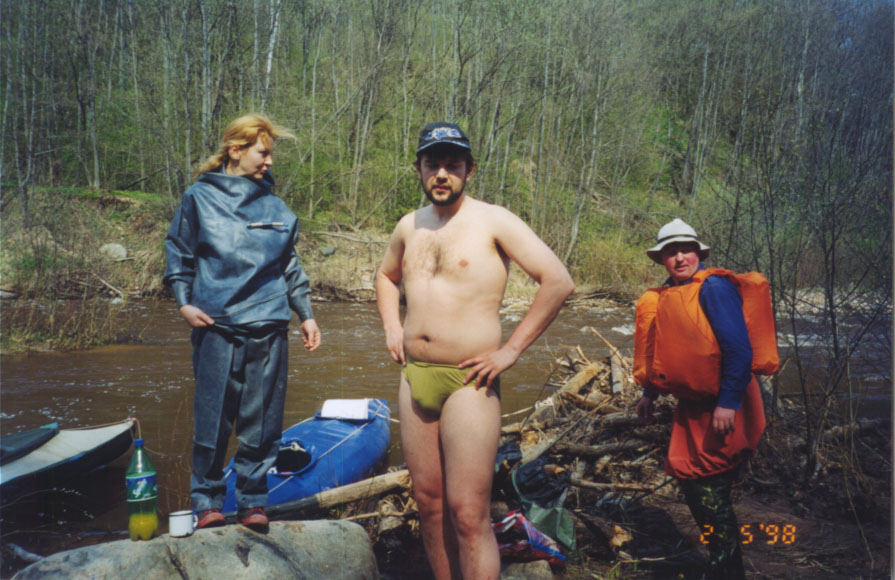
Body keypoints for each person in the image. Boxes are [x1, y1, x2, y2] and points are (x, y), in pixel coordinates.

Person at [376, 122, 574, 580]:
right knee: (429, 504)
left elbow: (558, 281)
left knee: (468, 512)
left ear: (470, 169)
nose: (442, 174)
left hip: (470, 381)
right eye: (433, 164)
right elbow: (386, 276)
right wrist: (391, 326)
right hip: (415, 375)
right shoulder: (409, 225)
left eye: (453, 165)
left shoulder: (494, 220)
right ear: (418, 169)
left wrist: (510, 351)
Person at [164, 114, 321, 532]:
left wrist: (305, 314)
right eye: (263, 153)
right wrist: (183, 304)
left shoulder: (276, 208)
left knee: (263, 423)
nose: (269, 161)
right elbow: (179, 253)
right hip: (215, 326)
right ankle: (207, 504)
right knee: (212, 421)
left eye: (270, 154)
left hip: (269, 326)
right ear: (236, 150)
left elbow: (290, 266)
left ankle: (253, 501)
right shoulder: (198, 198)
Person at [634, 218, 772, 580]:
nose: (679, 258)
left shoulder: (714, 288)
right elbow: (666, 348)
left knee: (708, 490)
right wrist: (649, 393)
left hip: (726, 404)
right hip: (693, 406)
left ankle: (727, 570)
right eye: (671, 252)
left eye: (686, 250)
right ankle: (721, 563)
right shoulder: (671, 292)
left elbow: (739, 350)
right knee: (694, 484)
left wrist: (728, 403)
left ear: (699, 254)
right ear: (661, 259)